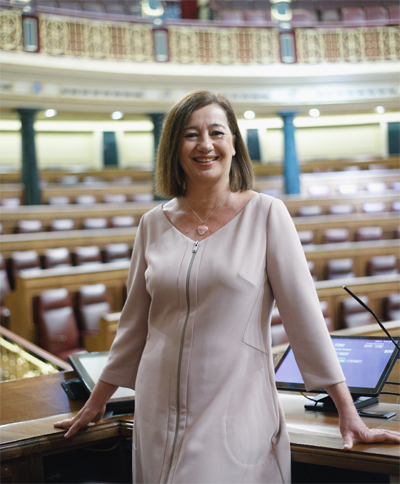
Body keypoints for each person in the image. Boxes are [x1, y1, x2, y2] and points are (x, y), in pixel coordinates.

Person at [55, 91, 400, 483]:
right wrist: (96, 402)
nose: (205, 144)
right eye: (190, 135)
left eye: (216, 132)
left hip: (234, 405)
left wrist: (348, 414)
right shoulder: (152, 223)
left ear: (234, 144)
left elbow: (304, 319)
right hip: (157, 408)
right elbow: (135, 324)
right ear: (174, 148)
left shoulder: (267, 214)